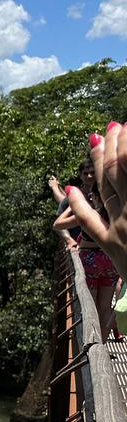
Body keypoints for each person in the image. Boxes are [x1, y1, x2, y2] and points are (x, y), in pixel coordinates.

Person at [65, 125, 127, 343]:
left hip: (102, 257)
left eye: (92, 172)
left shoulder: (88, 198)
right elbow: (61, 222)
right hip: (104, 257)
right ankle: (97, 346)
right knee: (97, 306)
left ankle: (95, 347)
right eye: (86, 172)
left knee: (95, 307)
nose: (90, 175)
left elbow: (59, 221)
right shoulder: (85, 196)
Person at [55, 155, 122, 340]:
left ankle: (93, 345)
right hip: (110, 259)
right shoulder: (114, 212)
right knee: (106, 306)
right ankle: (103, 342)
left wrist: (74, 206)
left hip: (90, 260)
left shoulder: (86, 214)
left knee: (89, 306)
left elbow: (57, 224)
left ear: (93, 196)